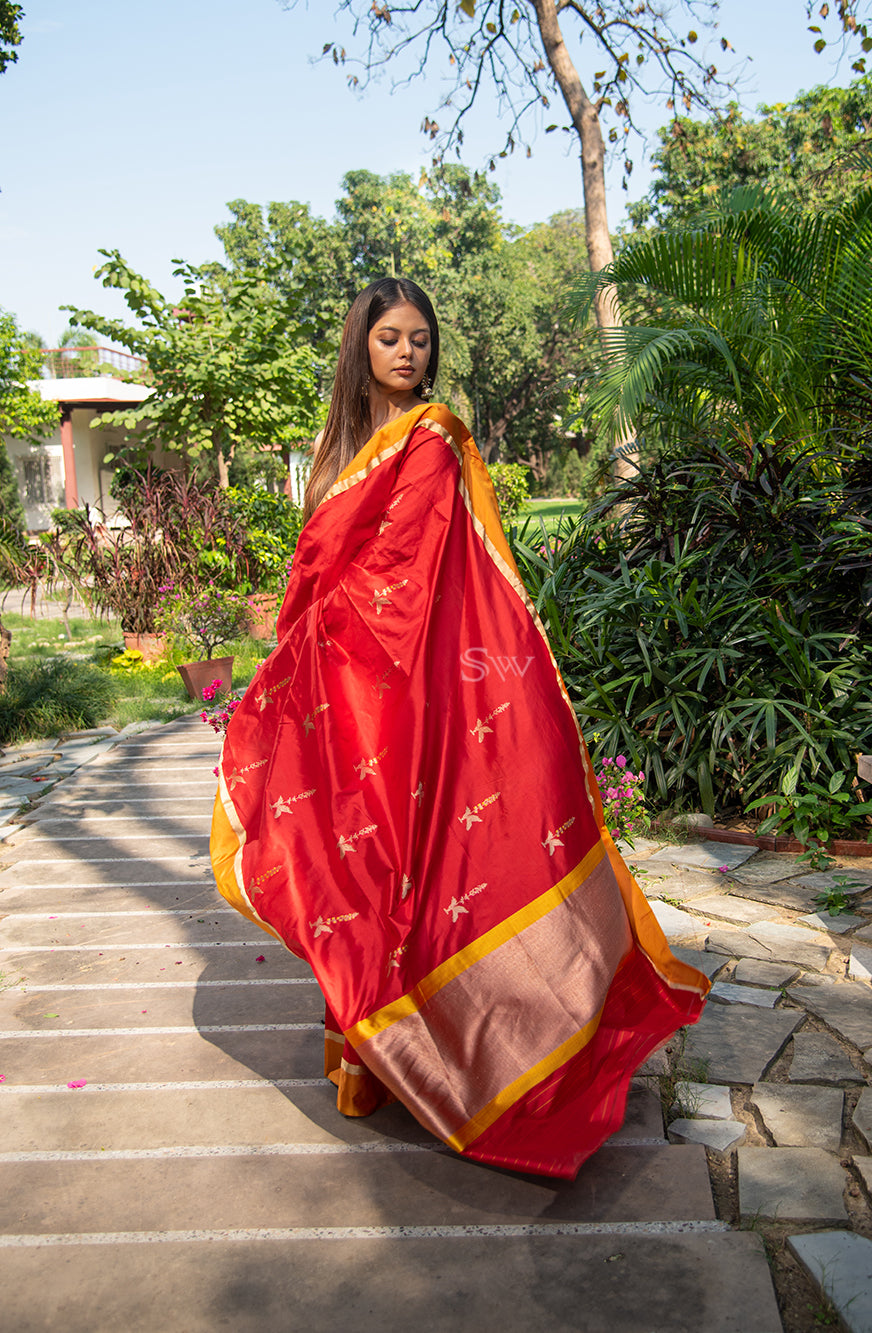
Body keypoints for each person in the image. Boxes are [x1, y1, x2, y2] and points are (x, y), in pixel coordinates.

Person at [210, 277, 708, 1179]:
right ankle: (372, 1056)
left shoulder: (434, 439)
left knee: (417, 868)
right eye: (391, 337)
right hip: (346, 699)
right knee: (355, 873)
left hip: (415, 692)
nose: (409, 353)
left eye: (421, 339)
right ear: (361, 344)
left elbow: (407, 579)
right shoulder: (338, 449)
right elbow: (318, 569)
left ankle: (482, 1051)